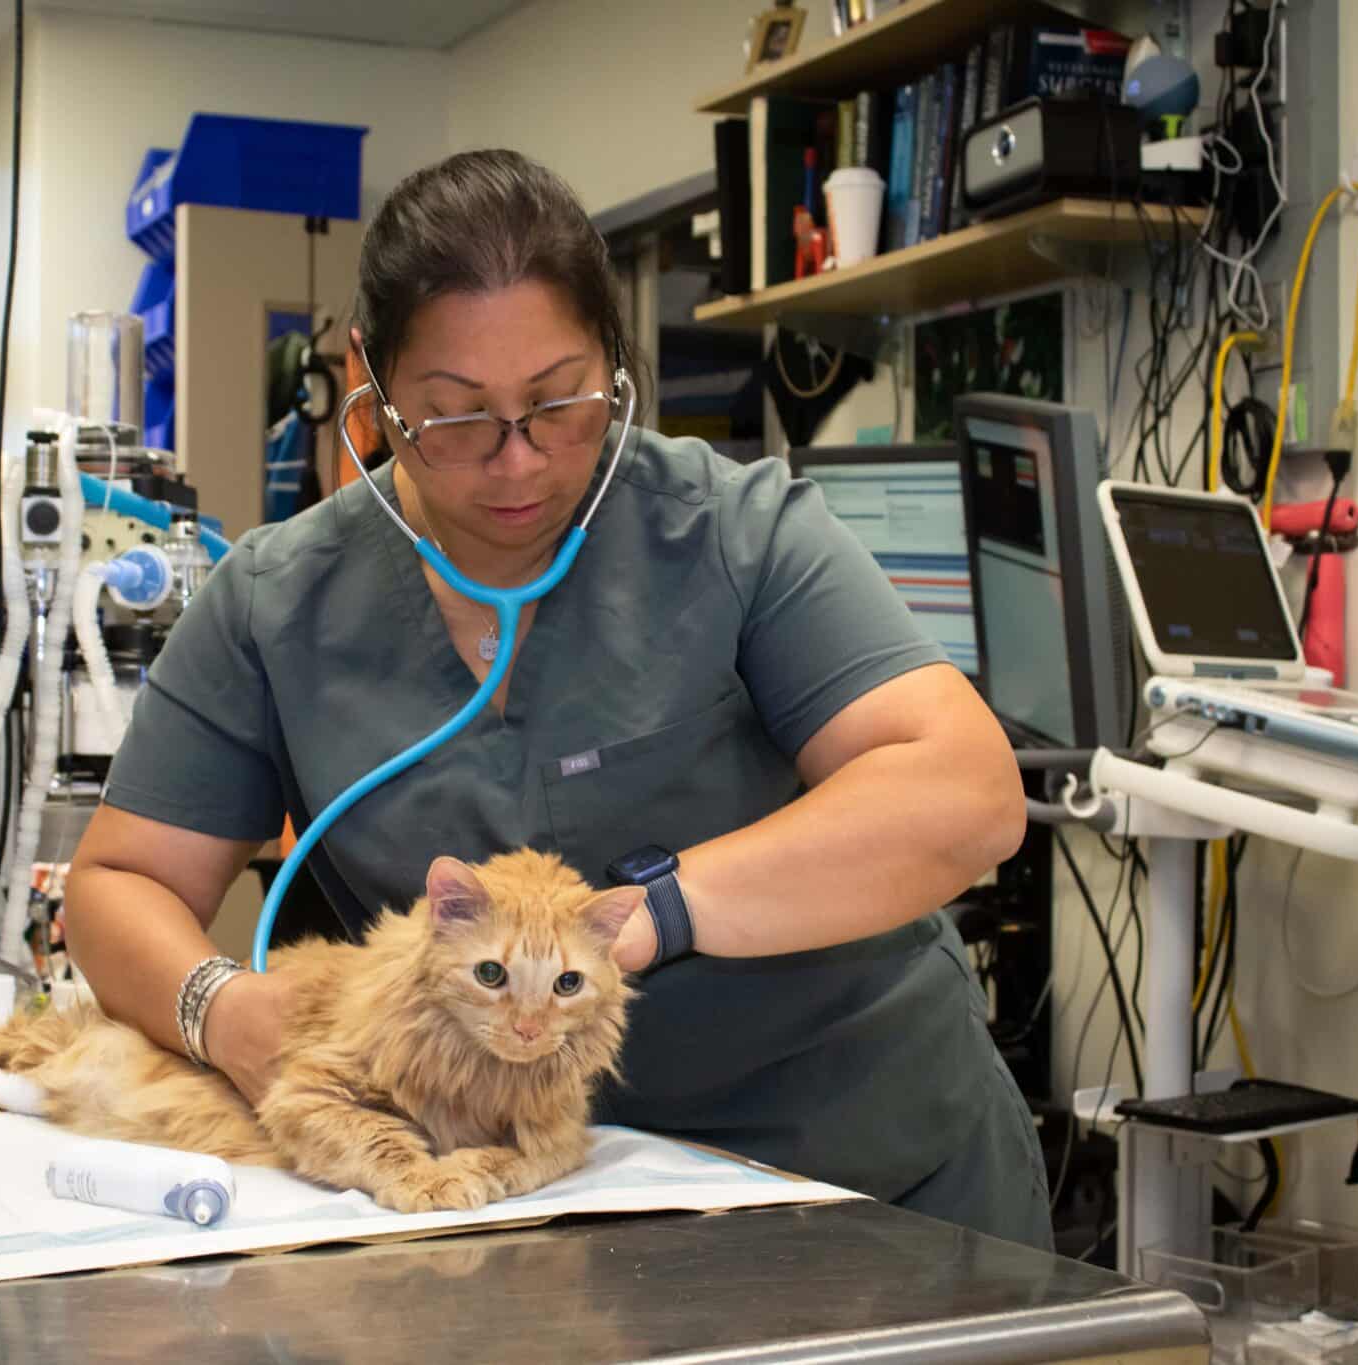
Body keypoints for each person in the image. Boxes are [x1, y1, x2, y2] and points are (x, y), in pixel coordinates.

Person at [64, 149, 1050, 1247]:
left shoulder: (731, 533)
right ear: (373, 393)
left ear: (614, 367)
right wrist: (225, 1014)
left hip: (859, 1171)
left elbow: (966, 793)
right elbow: (116, 885)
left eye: (557, 403)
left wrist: (645, 919)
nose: (517, 462)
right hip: (516, 1203)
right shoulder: (274, 603)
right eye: (453, 416)